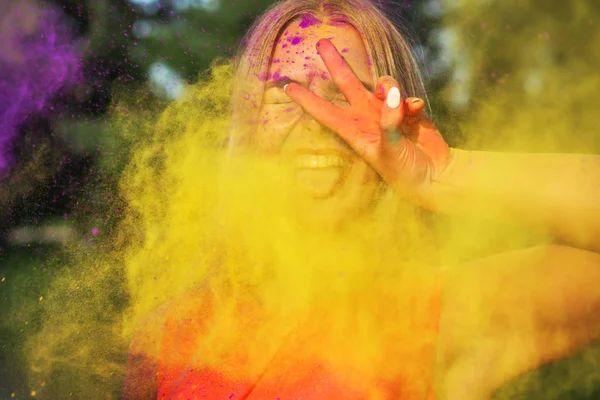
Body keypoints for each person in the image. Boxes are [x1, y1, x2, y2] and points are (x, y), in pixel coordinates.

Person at [123, 0, 600, 399]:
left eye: (349, 99)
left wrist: (444, 173)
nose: (316, 121)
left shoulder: (445, 314)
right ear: (246, 127)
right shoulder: (168, 334)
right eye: (284, 95)